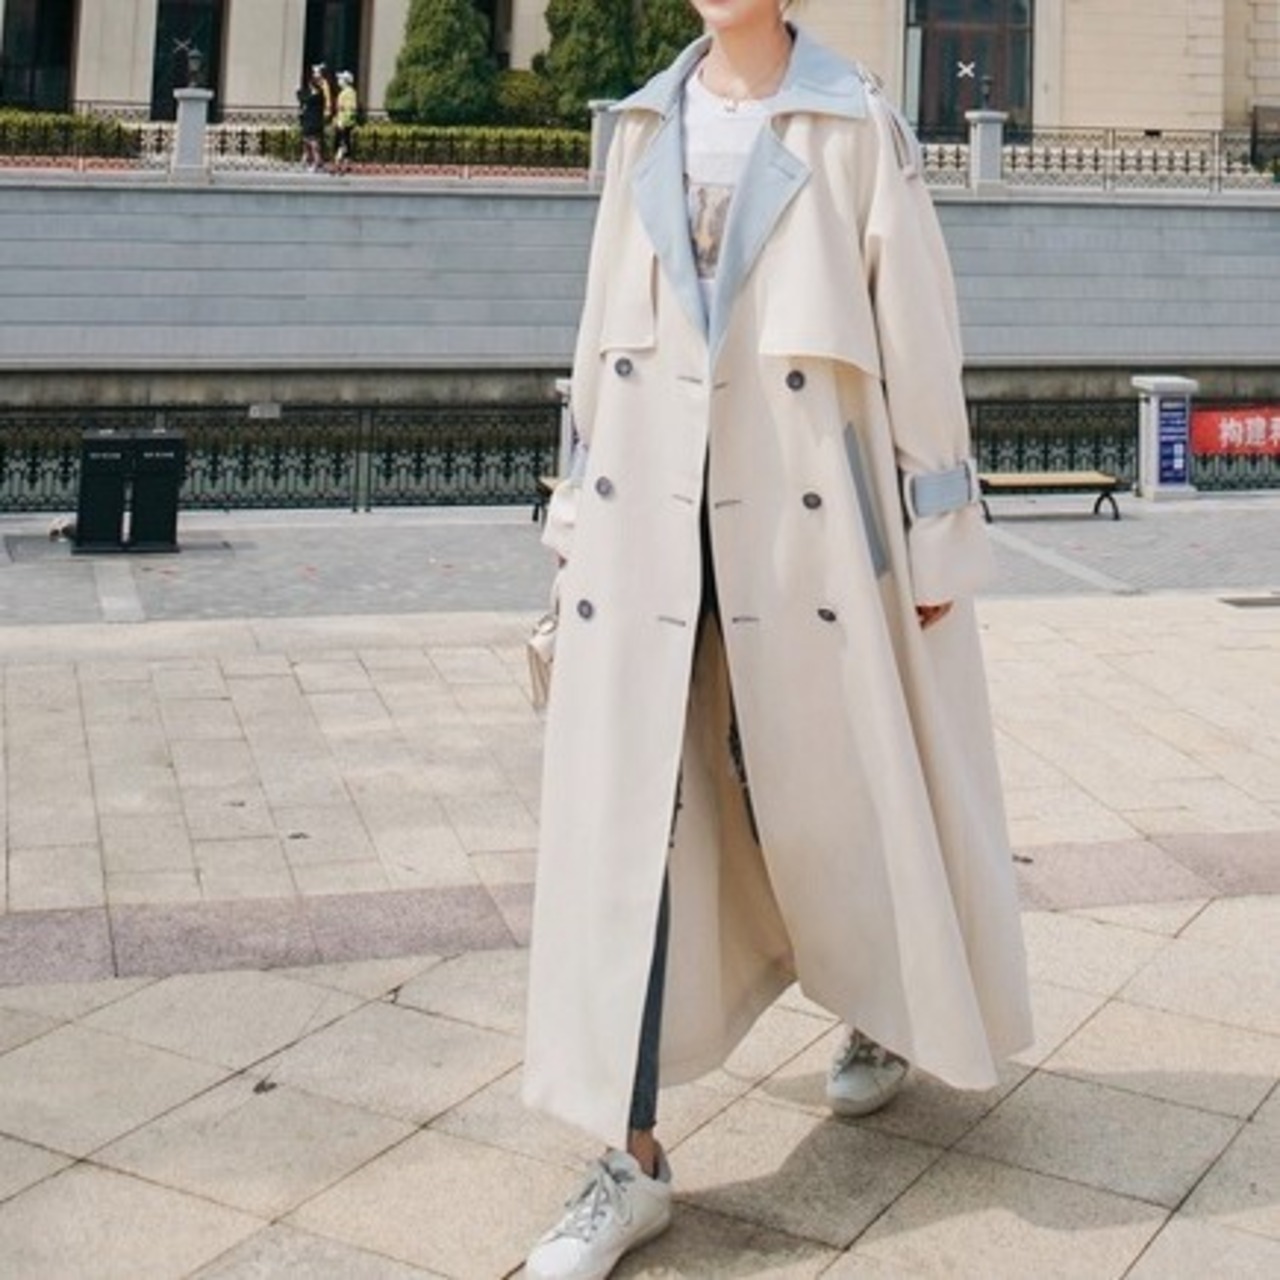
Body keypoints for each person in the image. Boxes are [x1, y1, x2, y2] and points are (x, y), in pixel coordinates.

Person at [523, 3, 1034, 1277]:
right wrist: (572, 517)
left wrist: (933, 530)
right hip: (653, 525)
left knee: (845, 788)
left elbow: (916, 336)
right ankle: (627, 1152)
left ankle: (884, 1008)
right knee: (634, 822)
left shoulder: (854, 124)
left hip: (805, 533)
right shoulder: (643, 125)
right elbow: (597, 343)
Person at [298, 66, 327, 171]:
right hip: (310, 121)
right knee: (307, 142)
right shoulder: (316, 95)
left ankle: (316, 163)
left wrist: (300, 94)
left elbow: (303, 98)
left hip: (313, 122)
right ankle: (306, 162)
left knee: (313, 143)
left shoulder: (316, 96)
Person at [333, 70, 360, 174]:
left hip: (345, 122)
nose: (338, 81)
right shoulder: (345, 92)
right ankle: (345, 164)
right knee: (344, 143)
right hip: (341, 121)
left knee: (342, 143)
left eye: (340, 79)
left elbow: (350, 109)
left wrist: (343, 121)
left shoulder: (349, 92)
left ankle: (338, 164)